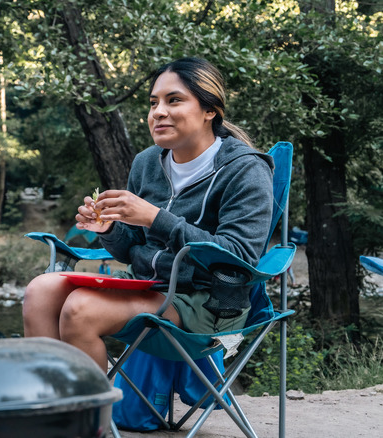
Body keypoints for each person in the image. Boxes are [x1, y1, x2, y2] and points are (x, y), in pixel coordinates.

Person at [22, 57, 274, 370]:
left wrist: (156, 217)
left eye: (174, 100)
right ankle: (54, 404)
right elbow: (131, 249)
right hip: (147, 285)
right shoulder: (147, 162)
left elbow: (240, 258)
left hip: (207, 301)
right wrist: (108, 229)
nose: (158, 112)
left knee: (80, 309)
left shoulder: (246, 170)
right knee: (41, 291)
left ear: (210, 111)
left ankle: (93, 417)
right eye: (153, 102)